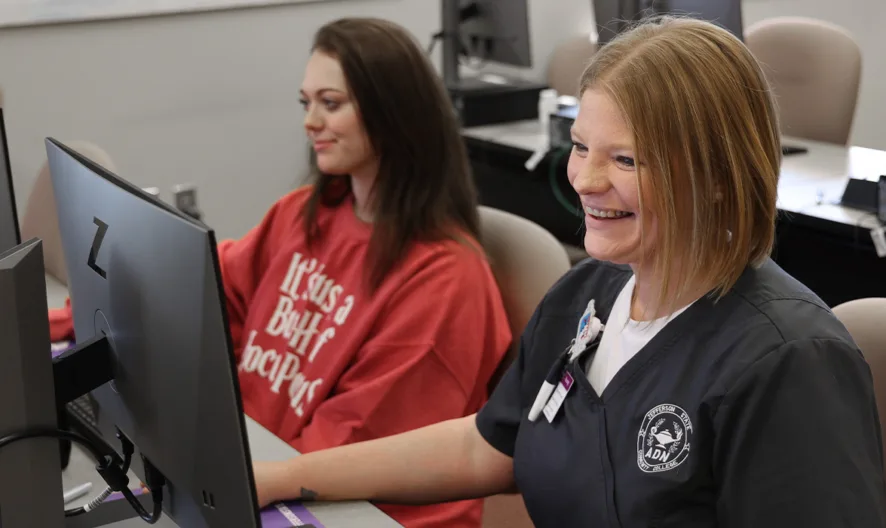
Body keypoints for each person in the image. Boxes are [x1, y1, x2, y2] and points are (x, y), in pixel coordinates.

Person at [250, 16, 886, 527]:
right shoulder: (589, 293)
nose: (584, 179)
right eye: (582, 146)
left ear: (718, 178)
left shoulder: (789, 361)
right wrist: (283, 477)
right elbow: (485, 446)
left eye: (627, 159)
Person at [47, 17, 512, 528]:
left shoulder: (445, 280)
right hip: (254, 466)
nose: (310, 121)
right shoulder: (303, 214)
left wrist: (227, 468)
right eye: (305, 102)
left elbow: (358, 445)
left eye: (330, 103)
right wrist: (61, 324)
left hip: (343, 503)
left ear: (394, 115)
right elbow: (204, 294)